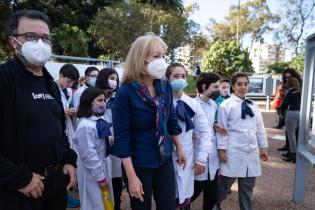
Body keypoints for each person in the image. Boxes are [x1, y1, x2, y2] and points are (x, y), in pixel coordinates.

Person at [0, 10, 77, 210]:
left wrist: (68, 159)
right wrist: (20, 178)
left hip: (55, 186)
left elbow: (59, 131)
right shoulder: (4, 79)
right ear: (13, 41)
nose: (40, 44)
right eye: (31, 37)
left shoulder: (50, 83)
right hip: (17, 191)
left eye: (45, 38)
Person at [111, 33, 186, 210]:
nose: (163, 61)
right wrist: (131, 177)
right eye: (156, 56)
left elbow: (171, 119)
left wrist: (179, 148)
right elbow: (122, 137)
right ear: (140, 58)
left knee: (168, 206)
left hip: (164, 157)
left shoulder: (164, 86)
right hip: (138, 163)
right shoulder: (125, 93)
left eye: (163, 56)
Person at [216, 73, 268, 210]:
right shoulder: (225, 105)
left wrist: (263, 147)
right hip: (233, 152)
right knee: (223, 187)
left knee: (247, 190)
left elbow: (260, 127)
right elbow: (221, 129)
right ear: (233, 86)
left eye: (245, 84)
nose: (243, 87)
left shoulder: (254, 105)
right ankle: (213, 205)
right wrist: (221, 150)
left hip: (251, 153)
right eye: (239, 84)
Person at [165, 63, 211, 209]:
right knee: (167, 199)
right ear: (167, 79)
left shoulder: (193, 104)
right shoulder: (160, 102)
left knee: (184, 199)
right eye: (176, 76)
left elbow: (204, 132)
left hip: (187, 158)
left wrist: (201, 159)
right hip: (164, 159)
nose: (180, 79)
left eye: (183, 76)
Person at [73, 87, 114, 210]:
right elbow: (89, 155)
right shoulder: (85, 126)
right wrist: (100, 178)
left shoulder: (98, 120)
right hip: (93, 171)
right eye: (100, 100)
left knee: (105, 202)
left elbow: (100, 141)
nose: (104, 103)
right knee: (95, 203)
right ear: (89, 102)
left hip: (103, 165)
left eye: (104, 100)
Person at [188, 72, 223, 210]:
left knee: (211, 193)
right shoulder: (192, 104)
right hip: (198, 152)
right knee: (194, 190)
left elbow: (208, 123)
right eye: (215, 86)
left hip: (212, 153)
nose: (218, 90)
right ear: (204, 86)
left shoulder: (214, 104)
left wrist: (215, 125)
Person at [95, 68, 122, 210]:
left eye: (116, 79)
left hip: (116, 144)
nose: (115, 81)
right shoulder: (92, 96)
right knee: (102, 177)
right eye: (112, 78)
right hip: (99, 142)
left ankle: (116, 204)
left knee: (116, 175)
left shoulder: (118, 98)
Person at [56, 64, 80, 208]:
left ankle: (66, 196)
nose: (70, 85)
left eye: (72, 83)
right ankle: (64, 197)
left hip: (65, 131)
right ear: (60, 75)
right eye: (68, 81)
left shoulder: (64, 91)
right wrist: (63, 113)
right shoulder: (51, 89)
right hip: (57, 133)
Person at [277, 68, 302, 152]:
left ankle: (293, 152)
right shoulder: (288, 85)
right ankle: (288, 147)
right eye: (285, 77)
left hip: (294, 110)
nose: (287, 79)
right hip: (290, 109)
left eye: (289, 77)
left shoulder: (298, 84)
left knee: (293, 132)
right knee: (289, 131)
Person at [281, 77, 301, 163]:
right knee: (296, 134)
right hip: (300, 113)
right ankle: (292, 152)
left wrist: (282, 112)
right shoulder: (300, 91)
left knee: (291, 134)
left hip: (291, 113)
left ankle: (293, 155)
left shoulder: (291, 91)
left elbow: (284, 103)